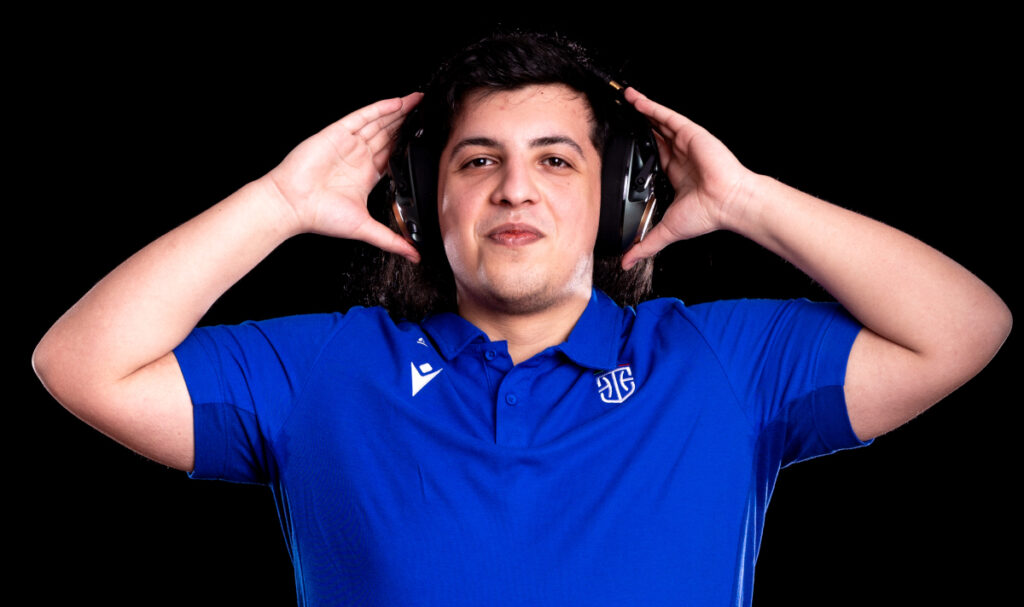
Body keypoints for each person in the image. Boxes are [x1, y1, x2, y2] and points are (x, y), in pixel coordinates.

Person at [32, 31, 1011, 606]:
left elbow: (962, 327)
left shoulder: (719, 362)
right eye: (477, 160)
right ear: (422, 204)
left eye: (555, 160)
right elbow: (81, 364)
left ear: (617, 201)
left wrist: (749, 199)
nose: (515, 189)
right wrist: (279, 203)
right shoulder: (326, 369)